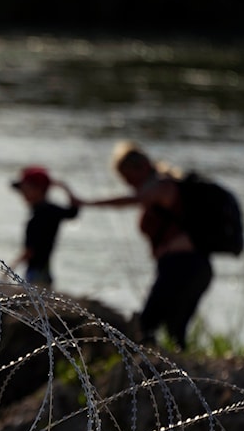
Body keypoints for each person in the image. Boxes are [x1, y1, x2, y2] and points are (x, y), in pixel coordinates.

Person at [68, 142, 212, 350]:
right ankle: (170, 371)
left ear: (142, 166)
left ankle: (159, 373)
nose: (129, 184)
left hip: (184, 267)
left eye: (129, 178)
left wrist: (86, 203)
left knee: (149, 324)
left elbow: (131, 200)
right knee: (172, 328)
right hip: (186, 267)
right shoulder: (161, 189)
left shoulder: (163, 186)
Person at [10, 165, 79, 288]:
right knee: (41, 303)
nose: (22, 193)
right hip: (45, 272)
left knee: (33, 302)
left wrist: (9, 269)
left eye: (25, 189)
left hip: (36, 273)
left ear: (38, 189)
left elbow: (29, 251)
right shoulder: (52, 210)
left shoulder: (37, 217)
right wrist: (65, 188)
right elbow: (73, 211)